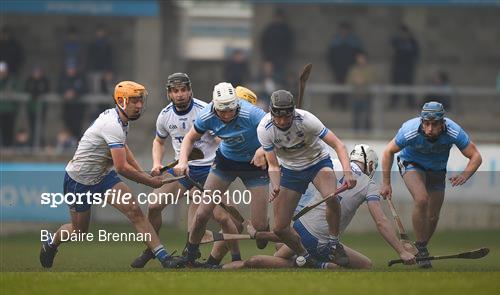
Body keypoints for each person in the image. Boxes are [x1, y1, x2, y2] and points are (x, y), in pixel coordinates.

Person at [39, 81, 183, 269]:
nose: (139, 105)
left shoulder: (122, 120)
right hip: (78, 180)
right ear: (121, 101)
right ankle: (52, 243)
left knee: (135, 211)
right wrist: (148, 180)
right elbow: (121, 167)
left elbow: (123, 147)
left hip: (103, 176)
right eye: (134, 101)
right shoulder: (112, 124)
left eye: (140, 100)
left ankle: (165, 259)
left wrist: (141, 171)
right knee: (79, 231)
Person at [224, 145, 417, 270]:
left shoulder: (330, 165)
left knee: (280, 255)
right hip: (321, 240)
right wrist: (401, 251)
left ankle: (234, 265)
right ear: (371, 165)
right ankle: (317, 264)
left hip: (298, 226)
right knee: (366, 265)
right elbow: (381, 222)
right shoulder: (368, 184)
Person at [130, 73, 242, 268]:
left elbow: (219, 139)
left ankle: (232, 258)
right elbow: (159, 141)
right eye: (175, 91)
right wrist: (157, 163)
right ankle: (152, 248)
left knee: (222, 216)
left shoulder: (205, 111)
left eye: (183, 90)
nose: (180, 94)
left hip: (209, 171)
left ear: (190, 91)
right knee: (154, 205)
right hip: (181, 170)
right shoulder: (165, 115)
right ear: (169, 94)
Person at [257, 90, 356, 268]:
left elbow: (338, 145)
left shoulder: (307, 120)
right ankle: (304, 255)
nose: (281, 122)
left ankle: (334, 244)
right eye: (277, 117)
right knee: (280, 228)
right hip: (291, 170)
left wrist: (347, 172)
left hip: (317, 162)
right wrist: (275, 184)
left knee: (331, 197)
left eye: (286, 117)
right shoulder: (264, 129)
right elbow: (272, 164)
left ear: (293, 112)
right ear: (271, 113)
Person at [174, 82, 269, 267]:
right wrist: (183, 160)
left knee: (259, 229)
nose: (226, 116)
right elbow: (189, 138)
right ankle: (190, 255)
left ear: (236, 104)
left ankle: (263, 227)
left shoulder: (251, 113)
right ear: (215, 106)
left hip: (255, 165)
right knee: (202, 213)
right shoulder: (207, 115)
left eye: (230, 110)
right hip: (226, 162)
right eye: (222, 111)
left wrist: (263, 150)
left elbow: (274, 131)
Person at [380, 101, 482, 268]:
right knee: (421, 199)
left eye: (434, 125)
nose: (429, 129)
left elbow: (476, 156)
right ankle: (421, 248)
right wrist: (386, 183)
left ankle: (421, 248)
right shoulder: (410, 130)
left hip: (437, 170)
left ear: (443, 122)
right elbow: (388, 151)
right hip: (411, 163)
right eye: (426, 124)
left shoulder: (453, 131)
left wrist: (465, 175)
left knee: (433, 216)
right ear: (421, 121)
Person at [327, 21, 363, 109]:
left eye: (345, 30)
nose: (344, 32)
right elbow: (330, 56)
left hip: (350, 68)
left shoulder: (354, 42)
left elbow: (359, 55)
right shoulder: (335, 41)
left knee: (346, 85)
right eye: (342, 30)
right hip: (337, 68)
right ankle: (336, 103)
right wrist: (333, 66)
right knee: (338, 84)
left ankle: (343, 103)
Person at [389, 23, 419, 108]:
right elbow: (392, 41)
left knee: (409, 86)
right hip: (398, 67)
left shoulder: (412, 41)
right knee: (395, 86)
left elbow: (416, 53)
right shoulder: (397, 41)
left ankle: (411, 104)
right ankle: (393, 103)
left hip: (408, 67)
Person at [260, 8, 294, 77]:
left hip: (281, 56)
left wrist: (286, 54)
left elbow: (289, 43)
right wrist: (266, 53)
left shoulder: (286, 30)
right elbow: (263, 41)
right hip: (269, 55)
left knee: (279, 74)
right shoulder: (269, 29)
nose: (278, 19)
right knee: (268, 74)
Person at [346, 52, 375, 130]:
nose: (360, 60)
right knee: (355, 116)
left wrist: (364, 81)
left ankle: (367, 132)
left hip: (366, 96)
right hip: (356, 95)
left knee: (367, 116)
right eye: (359, 58)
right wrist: (354, 81)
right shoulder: (353, 69)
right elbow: (348, 80)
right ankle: (355, 131)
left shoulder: (370, 70)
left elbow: (373, 80)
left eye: (362, 58)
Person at [24, 65, 50, 145]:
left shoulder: (44, 81)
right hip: (31, 107)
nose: (37, 74)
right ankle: (32, 143)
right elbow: (27, 90)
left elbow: (46, 90)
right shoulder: (29, 80)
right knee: (32, 126)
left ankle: (40, 143)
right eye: (35, 72)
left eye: (38, 72)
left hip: (42, 108)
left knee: (40, 127)